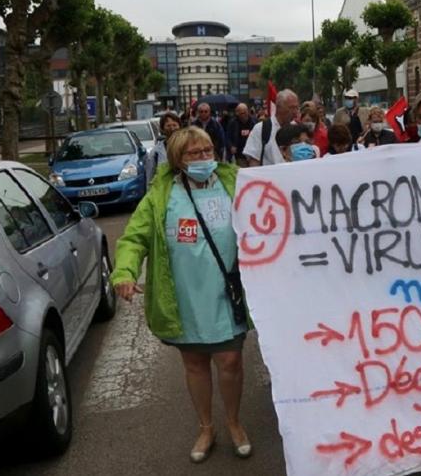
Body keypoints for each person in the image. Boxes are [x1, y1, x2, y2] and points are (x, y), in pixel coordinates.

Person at [111, 127, 253, 463]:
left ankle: (234, 422)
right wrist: (125, 271)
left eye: (208, 151)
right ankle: (206, 427)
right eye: (195, 153)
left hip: (228, 292)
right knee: (195, 363)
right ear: (178, 159)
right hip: (185, 295)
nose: (205, 158)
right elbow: (134, 238)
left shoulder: (235, 182)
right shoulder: (161, 195)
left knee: (230, 360)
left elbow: (274, 211)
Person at [243, 89, 300, 166]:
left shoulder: (297, 129)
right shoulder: (261, 129)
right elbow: (254, 161)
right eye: (291, 108)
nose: (295, 112)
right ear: (279, 107)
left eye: (296, 108)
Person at [146, 112, 181, 186]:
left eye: (174, 125)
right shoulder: (155, 152)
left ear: (180, 126)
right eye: (168, 126)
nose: (172, 128)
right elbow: (150, 177)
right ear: (162, 129)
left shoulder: (188, 147)